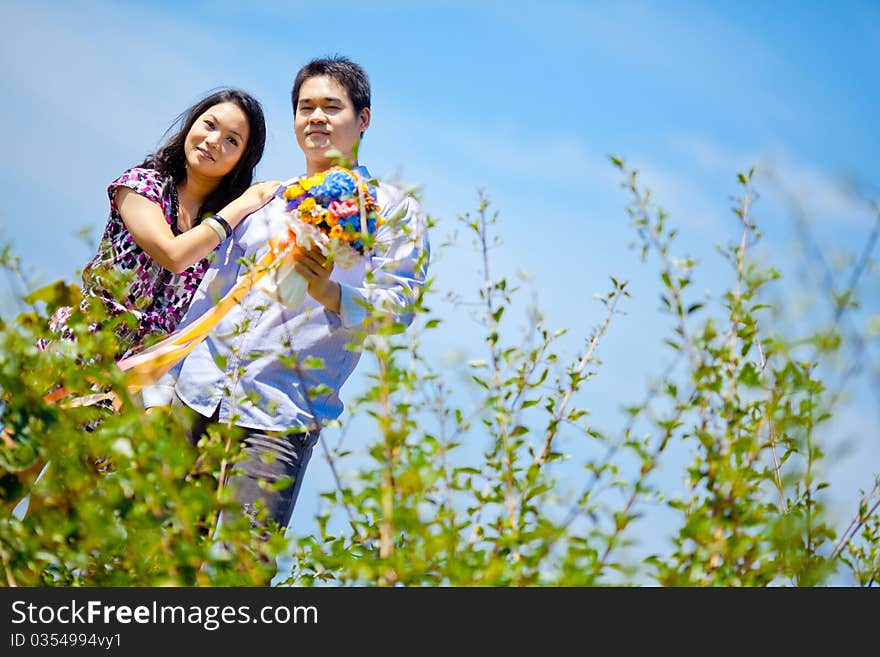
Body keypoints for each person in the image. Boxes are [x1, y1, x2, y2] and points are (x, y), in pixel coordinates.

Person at [143, 57, 430, 540]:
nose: (316, 117)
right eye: (305, 107)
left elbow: (397, 309)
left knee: (243, 565)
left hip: (279, 415)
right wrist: (161, 390)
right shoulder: (268, 199)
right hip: (196, 396)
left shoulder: (392, 209)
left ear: (363, 119)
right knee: (158, 548)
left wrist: (329, 290)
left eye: (331, 107)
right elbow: (210, 295)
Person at [44, 88, 278, 359]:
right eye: (209, 125)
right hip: (80, 349)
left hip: (145, 378)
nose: (214, 141)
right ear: (192, 123)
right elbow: (173, 255)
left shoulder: (231, 233)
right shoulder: (141, 186)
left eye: (231, 140)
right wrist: (243, 204)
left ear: (243, 160)